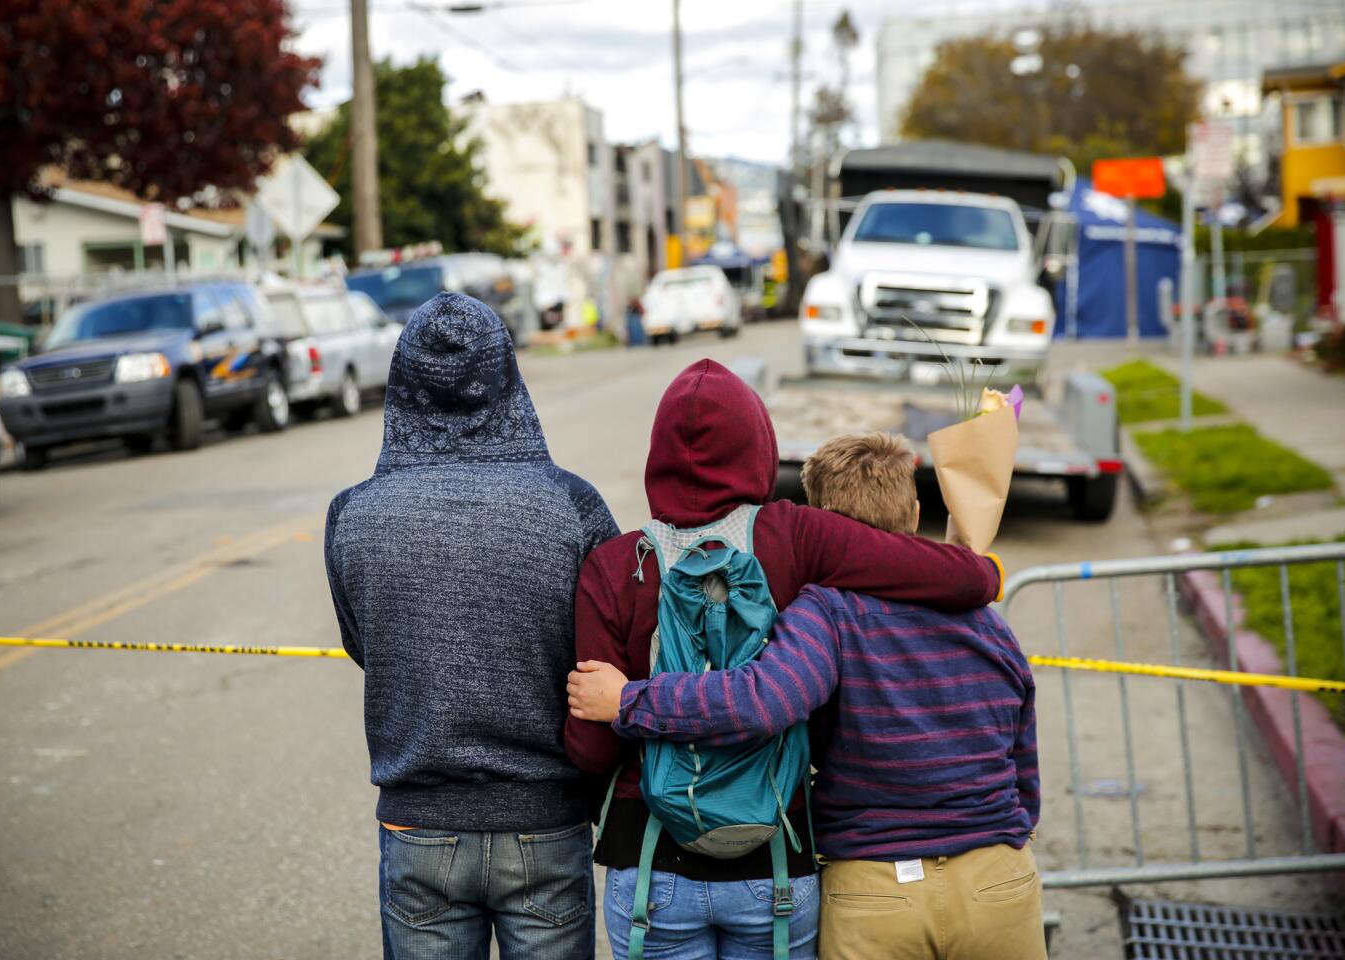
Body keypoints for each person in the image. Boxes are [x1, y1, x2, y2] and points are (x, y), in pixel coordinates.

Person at [563, 366, 1004, 960]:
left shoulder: (615, 566)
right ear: (760, 445)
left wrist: (630, 707)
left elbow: (590, 750)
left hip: (650, 867)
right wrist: (987, 573)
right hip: (773, 861)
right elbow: (939, 573)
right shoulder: (795, 536)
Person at [325, 293, 619, 960]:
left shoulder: (353, 513)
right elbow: (604, 649)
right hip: (545, 822)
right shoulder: (573, 505)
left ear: (402, 382)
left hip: (418, 823)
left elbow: (365, 645)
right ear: (508, 376)